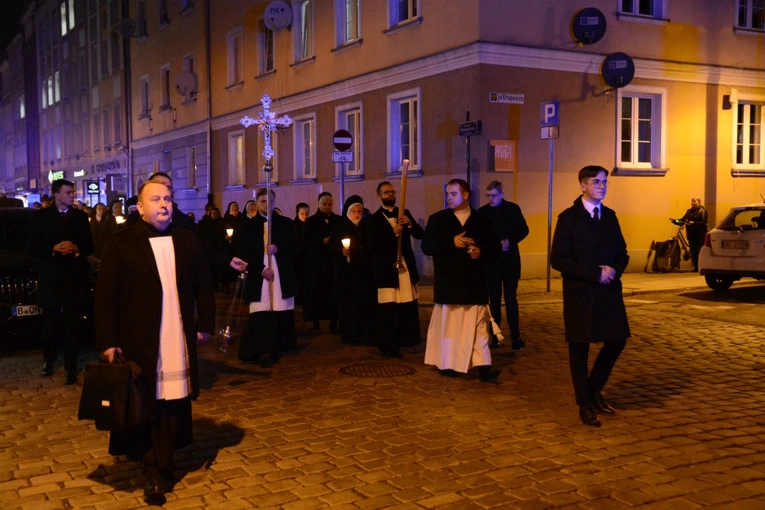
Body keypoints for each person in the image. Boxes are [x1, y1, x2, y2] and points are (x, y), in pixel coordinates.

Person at [96, 181, 215, 505]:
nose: (163, 204)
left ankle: (163, 460)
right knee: (144, 401)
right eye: (156, 199)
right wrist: (108, 341)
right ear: (140, 205)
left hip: (175, 336)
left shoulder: (187, 240)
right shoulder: (121, 242)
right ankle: (151, 467)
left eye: (167, 198)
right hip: (138, 339)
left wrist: (204, 324)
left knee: (172, 400)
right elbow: (106, 297)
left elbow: (204, 284)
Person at [550, 165, 631, 427]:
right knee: (580, 349)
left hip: (608, 291)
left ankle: (594, 388)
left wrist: (614, 271)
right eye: (596, 182)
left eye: (605, 182)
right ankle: (584, 404)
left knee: (617, 340)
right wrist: (594, 273)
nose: (602, 186)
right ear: (582, 186)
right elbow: (558, 259)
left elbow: (623, 252)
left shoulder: (609, 217)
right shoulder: (568, 219)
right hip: (581, 293)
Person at [421, 179, 501, 382]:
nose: (449, 197)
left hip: (474, 283)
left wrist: (480, 252)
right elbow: (427, 246)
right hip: (449, 283)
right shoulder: (438, 219)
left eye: (453, 194)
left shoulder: (481, 220)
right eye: (447, 193)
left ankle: (484, 367)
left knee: (479, 328)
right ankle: (447, 364)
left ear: (465, 195)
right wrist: (451, 242)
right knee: (449, 328)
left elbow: (494, 247)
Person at [27, 179, 94, 385]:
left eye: (73, 192)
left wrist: (77, 249)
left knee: (73, 325)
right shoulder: (41, 217)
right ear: (56, 195)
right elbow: (31, 247)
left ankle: (71, 367)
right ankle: (49, 359)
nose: (72, 195)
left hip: (74, 279)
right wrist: (53, 249)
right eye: (67, 192)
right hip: (51, 278)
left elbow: (89, 245)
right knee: (50, 323)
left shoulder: (80, 217)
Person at [237, 188, 298, 367]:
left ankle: (280, 346)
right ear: (256, 203)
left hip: (280, 273)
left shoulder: (285, 223)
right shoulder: (248, 225)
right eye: (263, 201)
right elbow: (243, 252)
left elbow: (295, 248)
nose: (267, 204)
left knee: (279, 309)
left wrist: (278, 249)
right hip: (259, 275)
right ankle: (262, 349)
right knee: (261, 311)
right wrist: (260, 269)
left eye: (270, 200)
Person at [367, 181, 424, 357]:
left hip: (404, 267)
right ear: (380, 196)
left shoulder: (403, 213)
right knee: (388, 308)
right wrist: (392, 233)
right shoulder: (374, 219)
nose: (390, 195)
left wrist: (409, 224)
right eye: (386, 193)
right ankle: (387, 344)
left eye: (392, 192)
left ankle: (404, 339)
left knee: (405, 306)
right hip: (386, 270)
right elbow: (373, 245)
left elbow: (420, 234)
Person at [478, 180, 529, 350]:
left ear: (501, 194)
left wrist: (511, 241)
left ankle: (516, 336)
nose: (491, 199)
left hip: (510, 262)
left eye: (494, 195)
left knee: (511, 300)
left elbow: (523, 230)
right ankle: (495, 336)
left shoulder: (513, 209)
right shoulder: (483, 213)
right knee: (494, 301)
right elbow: (480, 237)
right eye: (488, 195)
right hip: (491, 262)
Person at [330, 196, 377, 346]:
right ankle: (350, 335)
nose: (357, 214)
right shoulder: (340, 226)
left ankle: (365, 333)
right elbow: (331, 248)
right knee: (349, 306)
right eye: (354, 211)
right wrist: (341, 252)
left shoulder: (366, 226)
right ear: (347, 212)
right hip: (346, 274)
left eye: (360, 211)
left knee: (364, 304)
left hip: (363, 272)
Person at [303, 192, 341, 332]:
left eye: (329, 204)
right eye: (324, 204)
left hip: (333, 262)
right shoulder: (311, 221)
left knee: (333, 292)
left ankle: (333, 321)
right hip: (317, 263)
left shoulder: (337, 220)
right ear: (318, 204)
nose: (327, 207)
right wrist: (321, 242)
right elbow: (306, 242)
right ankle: (316, 321)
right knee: (316, 292)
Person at [680, 198, 708, 272]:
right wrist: (676, 221)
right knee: (693, 252)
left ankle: (702, 267)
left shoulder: (702, 211)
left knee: (699, 251)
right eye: (692, 201)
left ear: (699, 203)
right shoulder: (689, 211)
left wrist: (695, 223)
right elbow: (683, 219)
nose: (693, 202)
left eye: (694, 201)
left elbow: (703, 222)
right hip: (691, 234)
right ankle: (696, 267)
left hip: (699, 235)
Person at [293, 203, 310, 306]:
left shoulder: (311, 225)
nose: (304, 216)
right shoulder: (294, 226)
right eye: (302, 213)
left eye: (307, 214)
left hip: (308, 257)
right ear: (297, 213)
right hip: (297, 258)